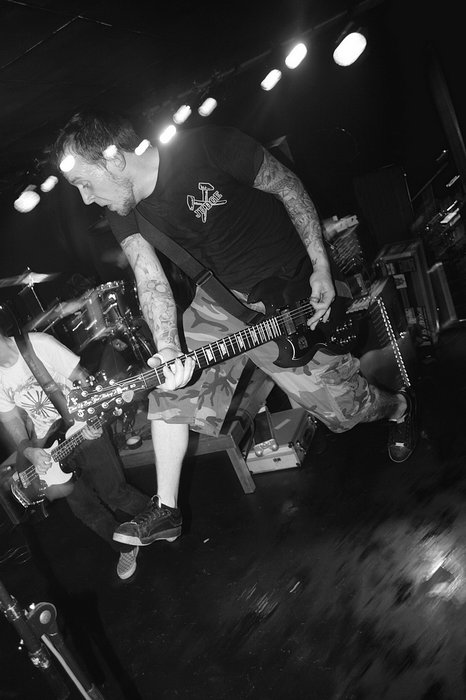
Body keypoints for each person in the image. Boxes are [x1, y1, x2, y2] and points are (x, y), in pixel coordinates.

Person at [51, 110, 418, 549]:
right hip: (221, 302)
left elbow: (289, 187)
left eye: (84, 183)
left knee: (345, 414)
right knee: (171, 379)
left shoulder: (209, 146)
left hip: (293, 291)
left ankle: (398, 406)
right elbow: (150, 280)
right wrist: (168, 347)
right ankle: (166, 509)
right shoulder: (125, 212)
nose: (86, 199)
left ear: (114, 160)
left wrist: (321, 265)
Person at [0, 325, 150, 579]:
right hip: (49, 448)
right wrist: (29, 451)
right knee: (85, 510)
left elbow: (83, 379)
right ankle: (125, 547)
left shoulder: (38, 345)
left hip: (83, 429)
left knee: (115, 493)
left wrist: (91, 419)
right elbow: (11, 420)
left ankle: (161, 518)